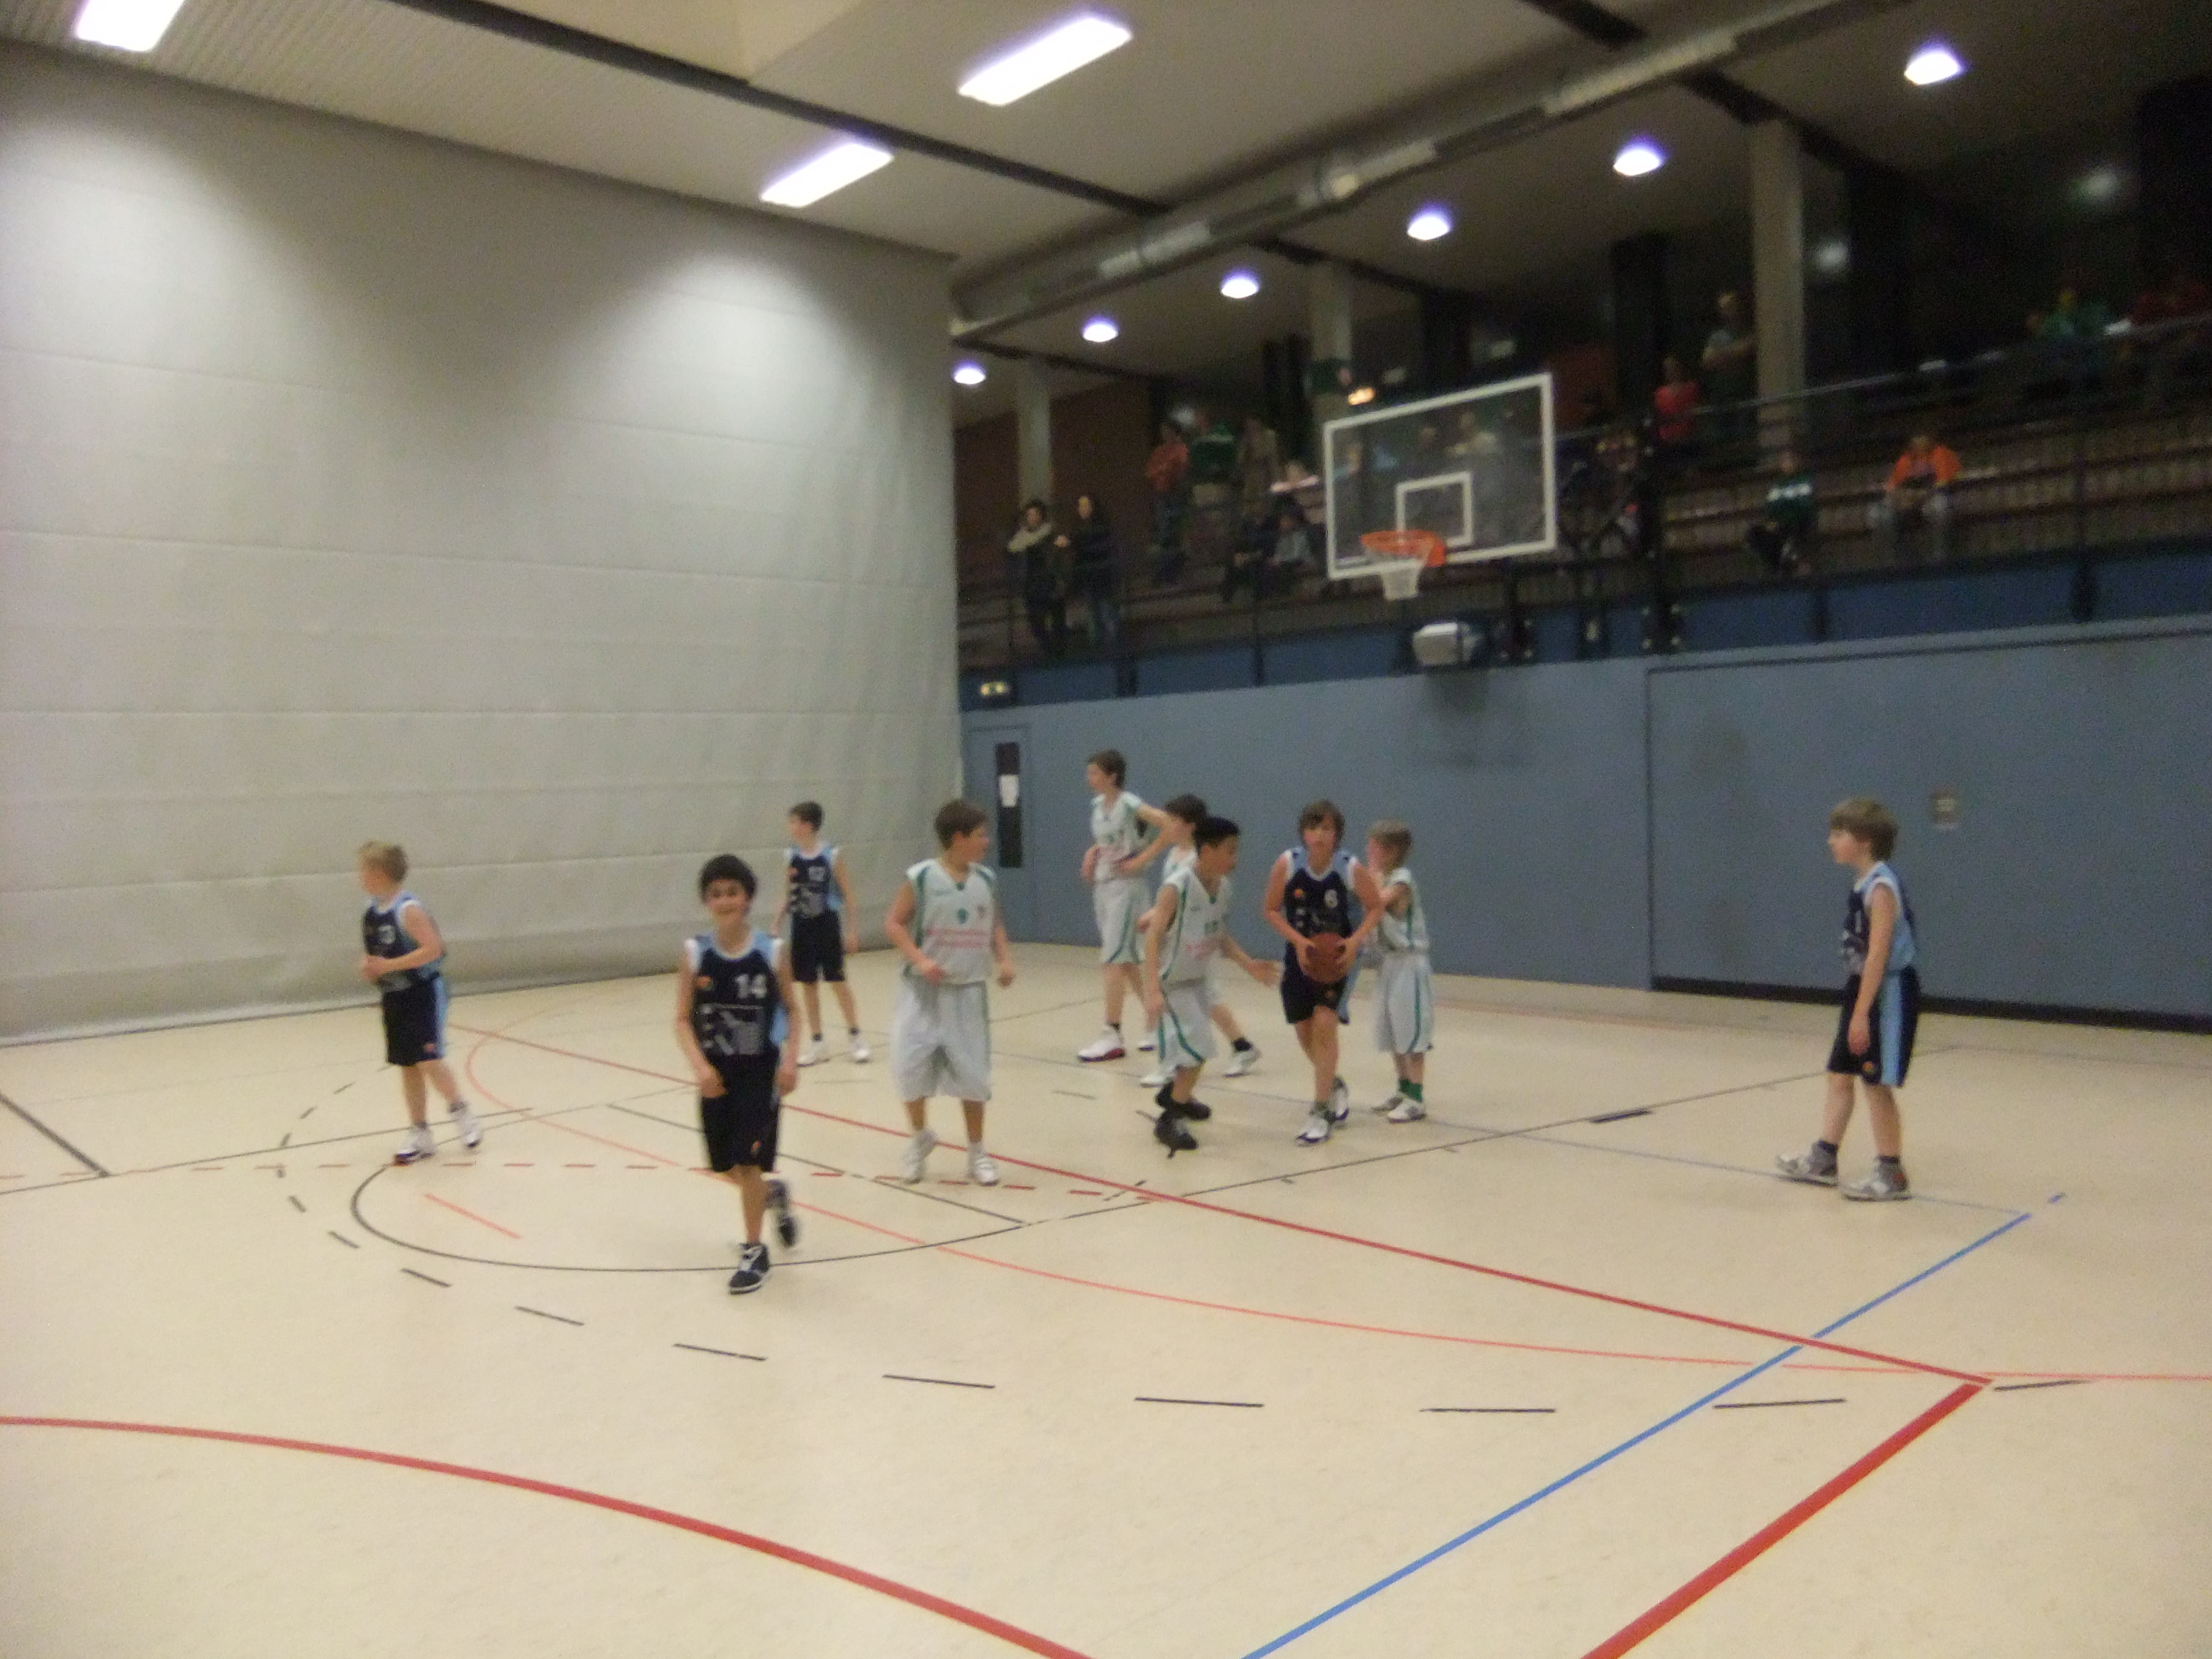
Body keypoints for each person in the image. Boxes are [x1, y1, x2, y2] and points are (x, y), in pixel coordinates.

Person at [1776, 798, 1921, 1201]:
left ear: (1864, 840)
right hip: (1863, 988)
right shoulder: (1863, 883)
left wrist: (1862, 1013)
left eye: (1839, 834)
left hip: (1886, 993)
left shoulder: (1881, 888)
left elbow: (1878, 956)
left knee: (1875, 1083)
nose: (1831, 841)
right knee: (1840, 1075)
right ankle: (1824, 1159)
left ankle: (1892, 1173)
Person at [674, 855, 801, 1293]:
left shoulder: (772, 951)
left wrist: (790, 1060)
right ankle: (771, 1194)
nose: (725, 900)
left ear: (747, 898)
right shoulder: (696, 953)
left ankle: (754, 1251)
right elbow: (681, 1019)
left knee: (747, 1161)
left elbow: (792, 1010)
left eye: (733, 892)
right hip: (716, 1073)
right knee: (724, 1165)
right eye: (716, 894)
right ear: (707, 902)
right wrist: (700, 1066)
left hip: (759, 1072)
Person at [885, 800, 1017, 1187]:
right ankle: (919, 1138)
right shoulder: (922, 877)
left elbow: (995, 924)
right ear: (958, 838)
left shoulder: (986, 879)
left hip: (968, 991)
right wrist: (921, 960)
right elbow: (894, 923)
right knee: (909, 1068)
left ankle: (977, 1151)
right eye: (980, 835)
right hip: (922, 991)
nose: (987, 842)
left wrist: (1004, 960)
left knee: (973, 1076)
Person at [1140, 817, 1279, 1154]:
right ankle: (1170, 1118)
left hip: (1198, 980)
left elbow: (1219, 936)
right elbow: (1153, 937)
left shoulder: (1224, 888)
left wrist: (1248, 964)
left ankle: (1178, 1095)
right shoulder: (1176, 887)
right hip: (1172, 983)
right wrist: (1152, 990)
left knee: (1194, 1051)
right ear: (1206, 850)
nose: (1235, 858)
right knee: (1198, 1050)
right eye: (1229, 851)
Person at [1263, 800, 1384, 1146]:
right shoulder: (1288, 864)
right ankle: (1333, 1084)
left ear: (1337, 835)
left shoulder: (1348, 868)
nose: (1319, 834)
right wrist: (1299, 942)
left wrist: (1355, 941)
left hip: (1338, 959)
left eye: (1327, 828)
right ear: (1304, 832)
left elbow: (1376, 906)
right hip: (1300, 956)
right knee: (1304, 1030)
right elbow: (1271, 909)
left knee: (1325, 1024)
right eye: (1314, 827)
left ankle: (1320, 1110)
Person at [356, 841, 481, 1165]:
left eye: (363, 870)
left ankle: (462, 1112)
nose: (359, 876)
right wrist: (371, 967)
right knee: (408, 1065)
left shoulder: (408, 910)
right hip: (393, 996)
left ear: (379, 873)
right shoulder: (371, 912)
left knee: (429, 1060)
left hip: (423, 992)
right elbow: (380, 955)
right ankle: (420, 1132)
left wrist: (389, 966)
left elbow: (433, 949)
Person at [1137, 793, 1261, 1086]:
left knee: (1200, 1009)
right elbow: (1169, 903)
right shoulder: (1175, 859)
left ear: (1190, 827)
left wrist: (1248, 964)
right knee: (1191, 1012)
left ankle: (1180, 1073)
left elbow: (1215, 927)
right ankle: (1230, 1049)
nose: (1167, 825)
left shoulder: (1209, 872)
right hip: (1177, 951)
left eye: (1173, 821)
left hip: (1197, 950)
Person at [1075, 749, 1171, 1062]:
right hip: (1103, 886)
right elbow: (1107, 842)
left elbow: (1169, 825)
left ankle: (1112, 1033)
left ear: (1112, 776)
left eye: (1094, 772)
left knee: (1112, 960)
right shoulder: (1097, 807)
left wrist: (1142, 859)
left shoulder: (1129, 804)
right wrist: (1092, 854)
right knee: (1126, 961)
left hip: (1127, 890)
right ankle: (1160, 1021)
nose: (1089, 778)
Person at [773, 801, 868, 1068]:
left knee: (837, 981)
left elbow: (848, 894)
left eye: (795, 821)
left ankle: (856, 1037)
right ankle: (818, 1043)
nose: (791, 826)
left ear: (808, 825)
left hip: (827, 923)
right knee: (808, 984)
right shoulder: (790, 856)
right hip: (801, 925)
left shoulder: (831, 855)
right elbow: (787, 893)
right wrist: (776, 923)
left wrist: (852, 930)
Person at [1361, 820, 1433, 1123]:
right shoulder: (1384, 878)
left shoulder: (1402, 880)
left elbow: (1377, 901)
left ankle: (1417, 1098)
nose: (1368, 851)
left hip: (1410, 963)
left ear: (1390, 851)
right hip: (1388, 962)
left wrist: (1370, 877)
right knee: (1392, 1030)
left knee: (1411, 1032)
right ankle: (1403, 1089)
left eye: (1373, 847)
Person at [1870, 431, 1961, 562]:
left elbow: (1943, 484)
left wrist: (1919, 496)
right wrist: (1901, 497)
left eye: (1922, 436)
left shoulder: (1941, 454)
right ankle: (1896, 562)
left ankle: (1940, 559)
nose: (1919, 441)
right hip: (1905, 501)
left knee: (1940, 508)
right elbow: (1892, 486)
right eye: (1916, 438)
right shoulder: (1905, 460)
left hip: (1931, 498)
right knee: (1877, 514)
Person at [1055, 493, 1120, 653]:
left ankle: (1112, 648)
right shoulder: (1078, 528)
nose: (1083, 509)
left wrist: (1072, 543)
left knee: (1106, 612)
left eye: (1086, 505)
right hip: (1088, 577)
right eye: (1081, 506)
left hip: (1102, 575)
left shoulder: (1101, 527)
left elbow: (1098, 548)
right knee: (1092, 613)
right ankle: (1097, 648)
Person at [1008, 499, 1066, 657]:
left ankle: (1059, 652)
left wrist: (1059, 581)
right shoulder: (1020, 541)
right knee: (1036, 623)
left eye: (1035, 515)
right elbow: (1015, 560)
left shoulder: (1050, 535)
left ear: (1041, 516)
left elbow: (1057, 559)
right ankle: (1048, 650)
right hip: (1031, 585)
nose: (1032, 518)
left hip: (1049, 582)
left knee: (1057, 619)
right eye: (1029, 515)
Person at [1745, 446, 1816, 576]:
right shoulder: (1778, 484)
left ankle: (1792, 562)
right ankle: (1774, 567)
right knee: (1756, 534)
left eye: (1789, 460)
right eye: (1783, 461)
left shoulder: (1803, 481)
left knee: (1789, 533)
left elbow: (1803, 505)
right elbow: (1771, 506)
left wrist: (1784, 506)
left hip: (1797, 521)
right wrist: (1781, 509)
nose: (1787, 464)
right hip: (1778, 523)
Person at [1701, 291, 1756, 446]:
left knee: (1744, 437)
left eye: (1730, 306)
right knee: (1722, 438)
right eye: (1723, 308)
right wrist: (1735, 352)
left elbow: (1748, 348)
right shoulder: (1716, 336)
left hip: (1743, 392)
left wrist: (1722, 354)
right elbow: (1707, 362)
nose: (1727, 311)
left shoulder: (1748, 332)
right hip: (1721, 394)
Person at [1145, 421, 1190, 582]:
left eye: (1167, 431)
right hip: (1161, 495)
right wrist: (1162, 471)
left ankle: (1173, 572)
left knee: (1173, 534)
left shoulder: (1180, 449)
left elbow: (1182, 469)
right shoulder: (1159, 452)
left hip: (1175, 495)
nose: (1165, 435)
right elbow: (1150, 473)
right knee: (1163, 534)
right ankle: (1162, 572)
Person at [1652, 355, 1701, 466]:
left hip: (1688, 439)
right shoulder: (1660, 394)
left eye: (1674, 367)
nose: (1672, 371)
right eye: (1668, 369)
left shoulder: (1691, 388)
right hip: (1668, 442)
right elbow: (1660, 416)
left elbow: (1695, 412)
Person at [1237, 414, 1282, 522]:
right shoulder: (1246, 439)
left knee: (1267, 508)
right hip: (1251, 479)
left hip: (1267, 476)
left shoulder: (1269, 436)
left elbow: (1271, 457)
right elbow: (1241, 460)